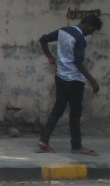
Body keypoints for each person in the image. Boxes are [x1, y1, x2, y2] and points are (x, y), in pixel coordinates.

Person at [37, 14, 102, 155]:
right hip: (75, 81)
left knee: (58, 109)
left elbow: (43, 40)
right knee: (75, 113)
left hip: (60, 77)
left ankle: (44, 139)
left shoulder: (63, 31)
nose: (91, 33)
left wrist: (50, 57)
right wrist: (92, 81)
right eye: (92, 30)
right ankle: (76, 146)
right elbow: (78, 62)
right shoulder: (80, 39)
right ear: (89, 25)